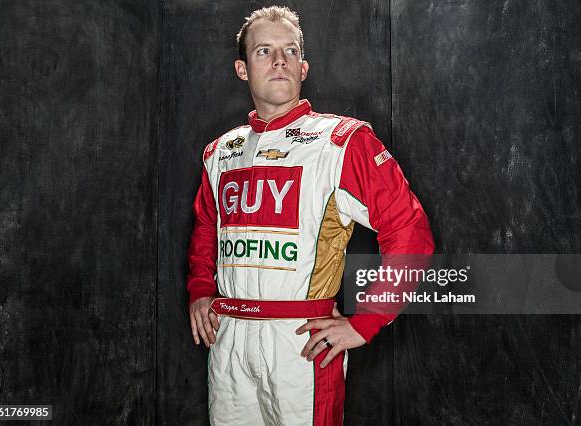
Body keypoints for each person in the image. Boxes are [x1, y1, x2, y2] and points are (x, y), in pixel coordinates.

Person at [186, 5, 434, 425]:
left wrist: (365, 322)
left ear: (304, 66)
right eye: (264, 51)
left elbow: (410, 231)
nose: (279, 60)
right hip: (228, 338)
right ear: (242, 68)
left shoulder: (341, 141)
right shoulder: (220, 151)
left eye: (290, 51)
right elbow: (208, 228)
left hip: (300, 344)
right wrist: (200, 289)